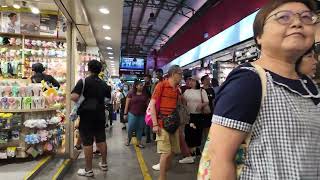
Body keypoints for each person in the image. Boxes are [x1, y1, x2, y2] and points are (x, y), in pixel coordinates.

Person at [206, 1, 320, 179]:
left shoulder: (309, 85)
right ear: (259, 36)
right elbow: (220, 158)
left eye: (306, 17)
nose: (298, 23)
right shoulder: (248, 82)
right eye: (283, 17)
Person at [71, 60, 111, 177]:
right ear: (100, 70)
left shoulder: (83, 82)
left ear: (89, 69)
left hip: (86, 115)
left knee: (87, 142)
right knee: (101, 140)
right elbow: (108, 100)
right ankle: (104, 164)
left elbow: (74, 97)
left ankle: (88, 170)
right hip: (100, 115)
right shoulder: (104, 84)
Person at [150, 65, 182, 180]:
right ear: (173, 74)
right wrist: (154, 124)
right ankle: (162, 177)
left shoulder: (177, 89)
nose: (181, 77)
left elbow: (178, 105)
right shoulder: (161, 85)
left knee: (174, 150)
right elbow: (152, 105)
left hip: (173, 124)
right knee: (165, 152)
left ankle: (166, 168)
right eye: (180, 74)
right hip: (162, 123)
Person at [179, 76, 209, 164]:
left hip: (199, 115)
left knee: (197, 133)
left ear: (197, 82)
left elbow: (207, 101)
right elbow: (183, 101)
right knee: (188, 132)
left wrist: (201, 105)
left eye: (193, 81)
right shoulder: (187, 91)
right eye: (190, 81)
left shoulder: (202, 91)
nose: (190, 82)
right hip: (189, 115)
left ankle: (195, 151)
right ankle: (191, 152)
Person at [124, 79, 149, 148]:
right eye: (140, 85)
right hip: (132, 114)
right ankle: (128, 139)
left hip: (142, 114)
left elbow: (147, 104)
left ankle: (139, 142)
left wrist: (148, 113)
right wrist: (125, 114)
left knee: (140, 128)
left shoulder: (145, 94)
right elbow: (127, 104)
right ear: (136, 86)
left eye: (142, 85)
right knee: (131, 128)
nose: (142, 87)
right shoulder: (131, 93)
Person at [200, 75, 215, 140]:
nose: (208, 80)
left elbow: (213, 100)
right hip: (202, 112)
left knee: (209, 128)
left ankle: (208, 141)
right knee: (203, 128)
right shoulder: (200, 90)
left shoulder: (211, 90)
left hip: (210, 111)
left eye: (209, 79)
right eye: (206, 79)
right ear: (202, 81)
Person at [144, 74, 153, 143]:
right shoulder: (144, 87)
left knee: (153, 121)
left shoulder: (154, 85)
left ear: (150, 78)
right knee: (147, 121)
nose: (145, 80)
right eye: (145, 79)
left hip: (153, 105)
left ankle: (154, 136)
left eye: (146, 78)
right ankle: (148, 138)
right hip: (146, 106)